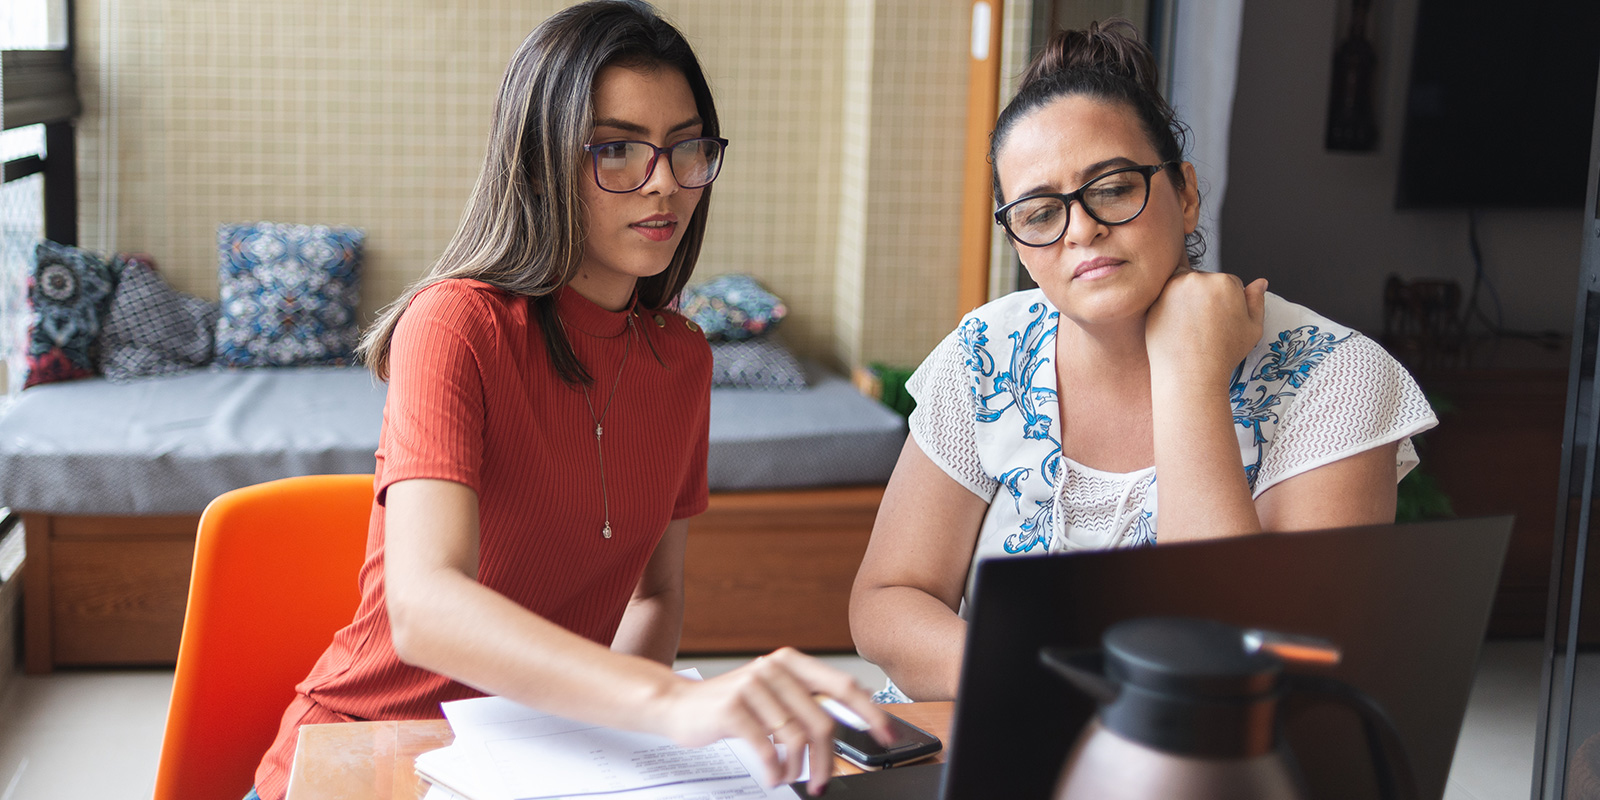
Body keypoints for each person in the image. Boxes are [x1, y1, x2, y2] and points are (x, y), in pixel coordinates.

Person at [247, 3, 891, 798]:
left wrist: (619, 750)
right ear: (541, 158)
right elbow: (425, 607)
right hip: (368, 751)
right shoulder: (457, 323)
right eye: (615, 150)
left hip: (532, 763)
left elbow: (656, 592)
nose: (662, 183)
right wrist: (668, 706)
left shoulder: (683, 357)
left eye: (685, 146)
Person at [848, 19, 1438, 704]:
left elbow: (1243, 677)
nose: (1083, 228)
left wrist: (1190, 377)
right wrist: (1054, 689)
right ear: (1019, 242)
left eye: (1115, 187)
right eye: (1041, 212)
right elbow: (887, 603)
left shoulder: (1333, 378)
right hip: (988, 734)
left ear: (1185, 194)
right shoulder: (987, 353)